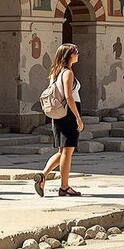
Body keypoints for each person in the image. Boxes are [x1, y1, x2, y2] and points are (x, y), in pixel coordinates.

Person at [34, 44, 85, 197]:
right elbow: (69, 97)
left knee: (62, 151)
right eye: (75, 52)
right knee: (67, 152)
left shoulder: (55, 73)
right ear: (69, 55)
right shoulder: (68, 73)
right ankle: (64, 187)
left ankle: (42, 176)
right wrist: (78, 117)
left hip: (58, 114)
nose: (77, 54)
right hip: (69, 112)